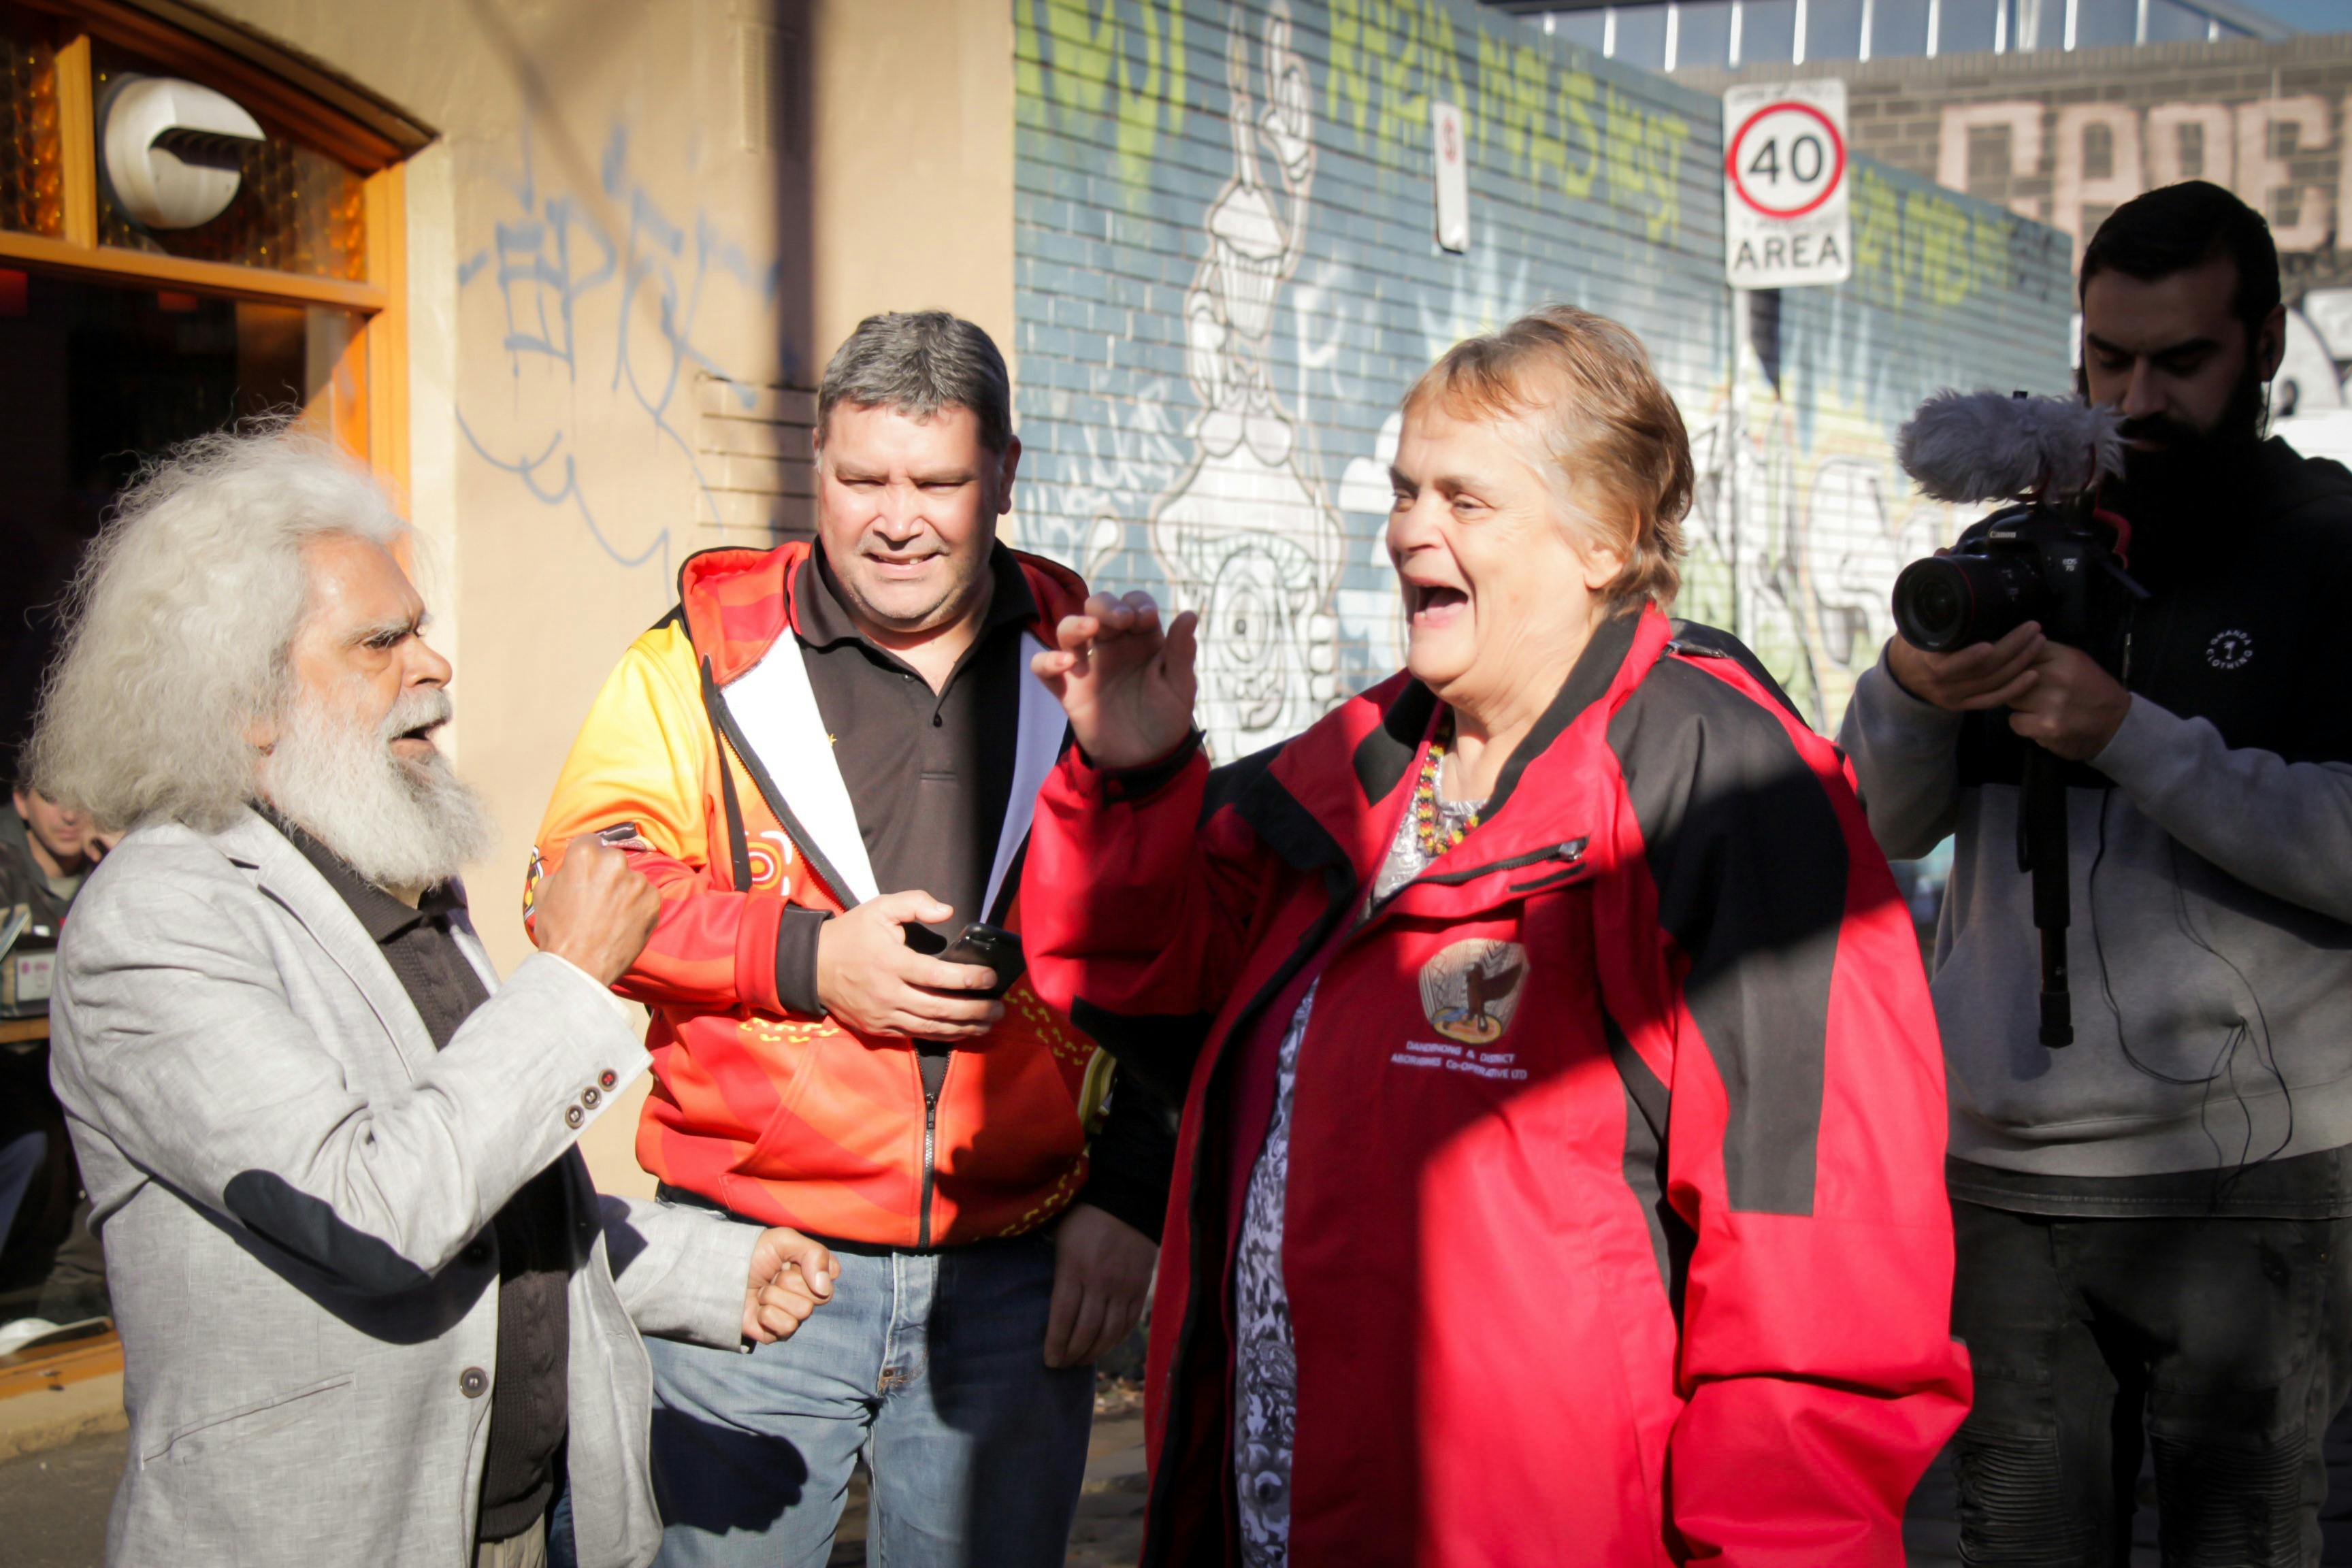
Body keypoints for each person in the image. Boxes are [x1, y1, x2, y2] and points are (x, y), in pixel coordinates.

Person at [1022, 306, 1970, 1567]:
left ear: (1607, 537)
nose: (1413, 527)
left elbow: (1823, 1264)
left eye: (1467, 501)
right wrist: (1136, 775)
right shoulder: (1347, 765)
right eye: (1408, 489)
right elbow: (1139, 985)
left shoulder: (1733, 794)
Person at [29, 430, 842, 1568]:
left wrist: (714, 1270)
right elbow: (370, 1210)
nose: (435, 666)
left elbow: (494, 1198)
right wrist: (568, 983)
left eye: (419, 628)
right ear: (245, 701)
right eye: (382, 641)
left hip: (522, 1525)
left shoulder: (393, 879)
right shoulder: (158, 919)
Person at [534, 310, 1172, 1567]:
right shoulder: (696, 663)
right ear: (814, 464)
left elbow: (1164, 952)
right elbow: (576, 885)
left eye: (936, 482)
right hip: (753, 1258)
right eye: (860, 476)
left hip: (1019, 1269)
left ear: (1004, 475)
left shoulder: (1089, 668)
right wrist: (811, 960)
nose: (896, 518)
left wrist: (1137, 1195)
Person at [1839, 179, 2352, 1564]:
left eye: (2181, 362)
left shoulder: (2325, 545)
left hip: (2246, 1172)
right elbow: (1885, 819)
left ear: (2261, 350)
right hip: (2007, 1166)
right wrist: (1909, 684)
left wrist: (2133, 737)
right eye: (2106, 359)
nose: (2137, 399)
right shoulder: (2018, 540)